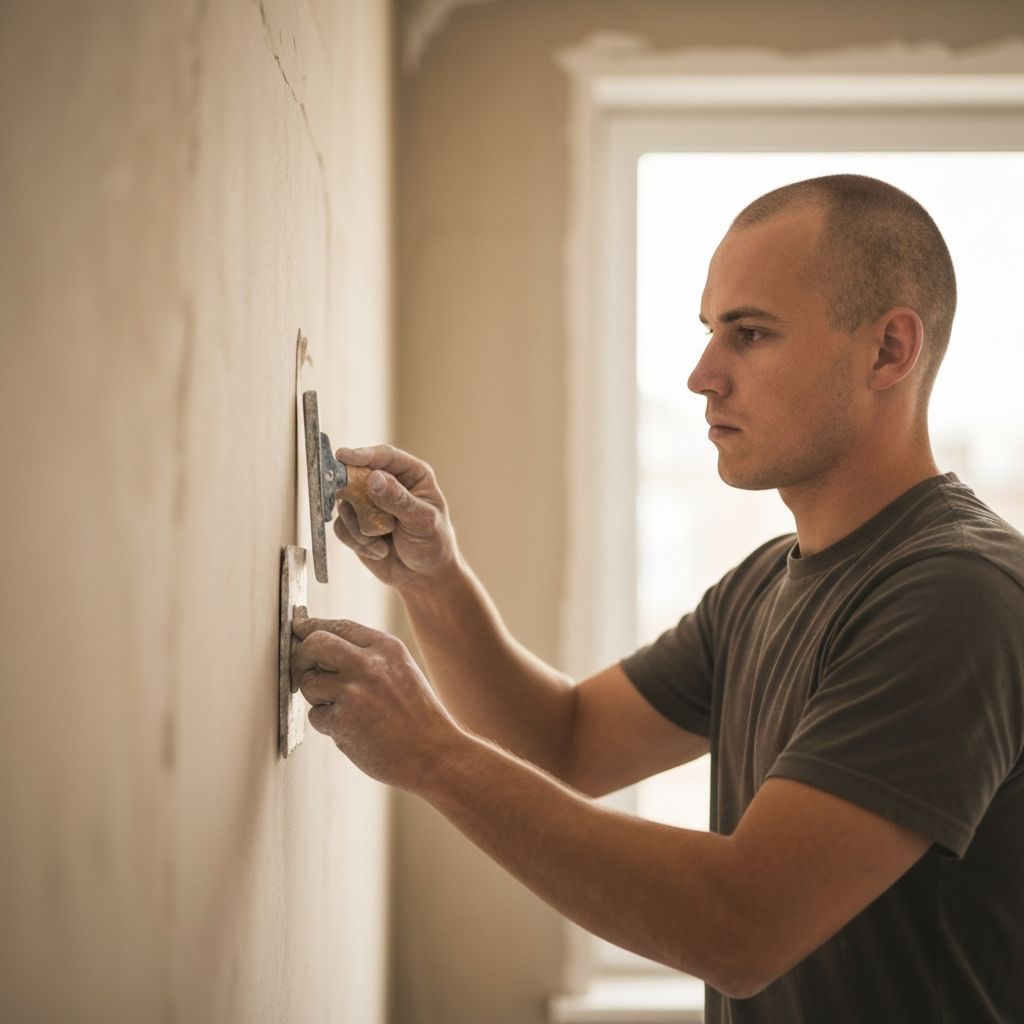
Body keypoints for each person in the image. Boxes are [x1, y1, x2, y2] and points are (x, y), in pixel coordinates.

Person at [291, 174, 1024, 1022]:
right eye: (712, 332)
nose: (702, 375)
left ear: (889, 351)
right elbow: (564, 741)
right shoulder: (764, 584)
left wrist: (429, 754)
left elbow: (740, 927)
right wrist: (432, 580)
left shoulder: (957, 598)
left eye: (749, 334)